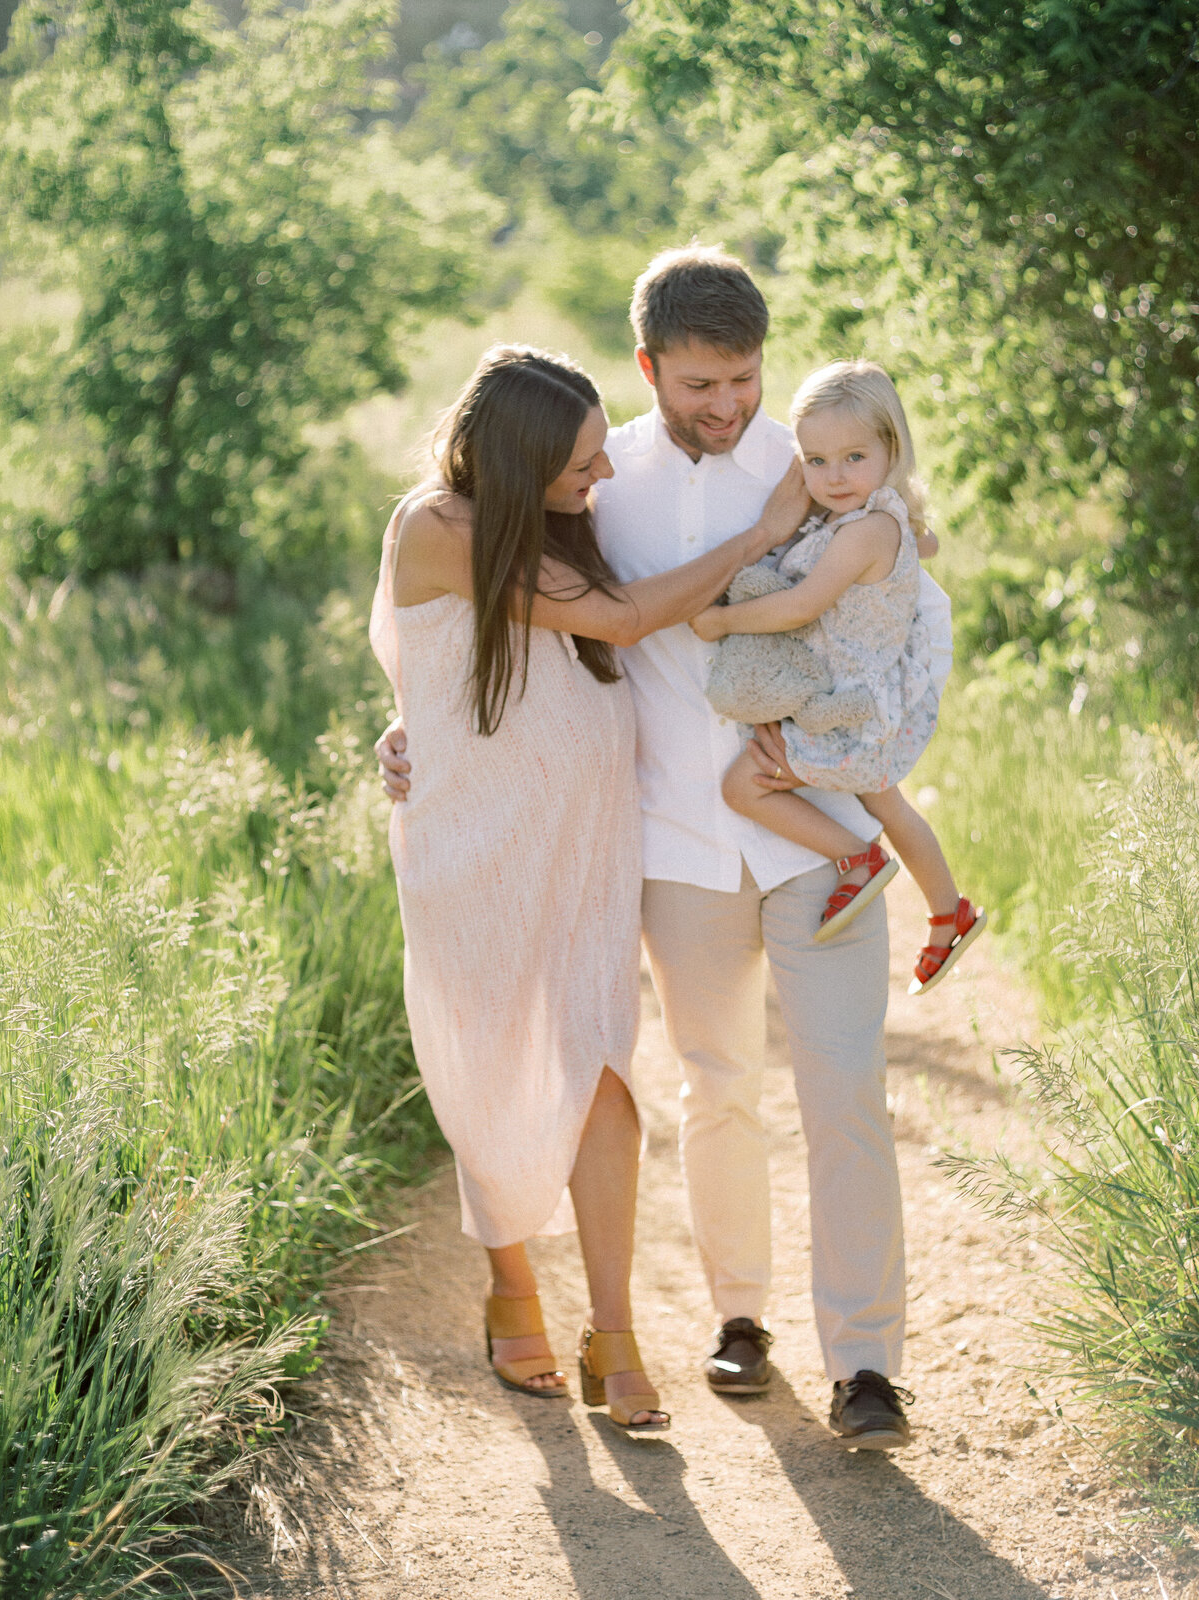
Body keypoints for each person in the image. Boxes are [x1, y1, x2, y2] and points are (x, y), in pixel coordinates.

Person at [378, 250, 950, 1449]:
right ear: (649, 368)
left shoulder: (823, 464)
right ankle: (740, 1319)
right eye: (700, 382)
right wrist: (411, 721)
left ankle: (866, 1363)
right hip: (673, 836)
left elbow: (909, 610)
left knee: (845, 1089)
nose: (727, 403)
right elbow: (516, 617)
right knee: (715, 1084)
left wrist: (873, 740)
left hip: (819, 833)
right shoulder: (597, 486)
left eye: (742, 378)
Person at [368, 343, 805, 1433]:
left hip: (583, 843)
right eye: (580, 462)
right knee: (487, 1064)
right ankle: (512, 1284)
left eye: (604, 456)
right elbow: (612, 622)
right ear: (516, 460)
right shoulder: (436, 526)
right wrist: (758, 537)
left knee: (602, 1073)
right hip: (472, 843)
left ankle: (614, 1327)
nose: (600, 477)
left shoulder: (564, 528)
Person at [692, 359, 986, 995]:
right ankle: (948, 912)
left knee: (745, 785)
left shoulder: (865, 531)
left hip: (849, 706)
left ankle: (857, 857)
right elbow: (921, 545)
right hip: (854, 698)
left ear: (891, 449)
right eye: (815, 461)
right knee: (890, 803)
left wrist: (723, 621)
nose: (833, 476)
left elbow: (801, 606)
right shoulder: (874, 519)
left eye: (854, 457)